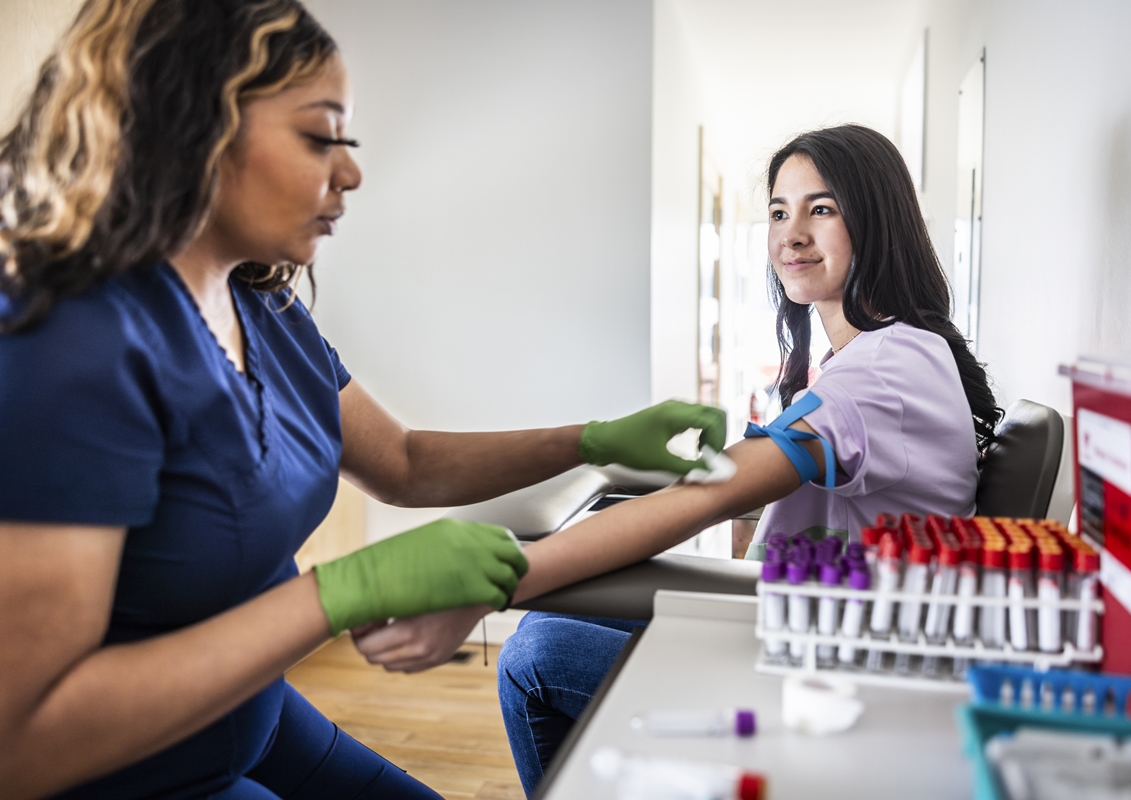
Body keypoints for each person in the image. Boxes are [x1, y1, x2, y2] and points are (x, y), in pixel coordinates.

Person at [0, 2, 727, 798]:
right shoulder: (70, 340)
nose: (351, 172)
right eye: (321, 136)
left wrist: (594, 440)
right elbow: (23, 741)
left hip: (254, 713)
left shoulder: (265, 306)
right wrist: (345, 591)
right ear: (193, 123)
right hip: (130, 772)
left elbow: (406, 463)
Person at [399, 123, 1000, 796]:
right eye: (779, 211)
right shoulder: (878, 356)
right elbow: (742, 488)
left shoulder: (883, 370)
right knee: (546, 626)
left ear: (877, 219)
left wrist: (494, 585)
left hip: (843, 669)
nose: (791, 233)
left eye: (821, 209)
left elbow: (717, 497)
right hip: (819, 623)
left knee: (534, 655)